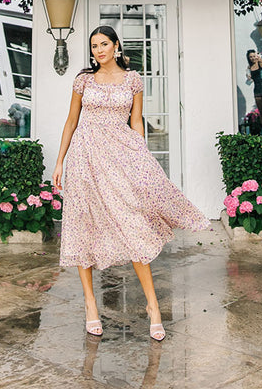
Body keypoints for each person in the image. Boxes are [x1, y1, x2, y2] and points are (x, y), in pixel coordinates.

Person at [52, 25, 210, 341]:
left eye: (104, 44)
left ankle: (153, 306)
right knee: (84, 226)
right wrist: (59, 161)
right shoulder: (83, 80)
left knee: (133, 225)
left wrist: (141, 156)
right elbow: (72, 121)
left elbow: (136, 120)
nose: (99, 50)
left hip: (120, 155)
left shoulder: (133, 80)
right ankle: (90, 303)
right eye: (94, 45)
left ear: (116, 46)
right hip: (85, 157)